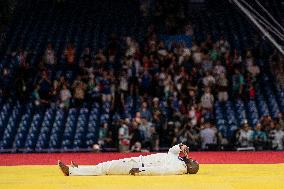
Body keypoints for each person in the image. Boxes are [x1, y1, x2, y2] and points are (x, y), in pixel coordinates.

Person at [58, 144, 199, 176]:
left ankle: (72, 172)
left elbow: (160, 171)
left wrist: (141, 171)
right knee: (106, 166)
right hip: (138, 161)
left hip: (139, 165)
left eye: (193, 161)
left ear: (191, 167)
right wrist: (180, 146)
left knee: (106, 168)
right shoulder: (178, 160)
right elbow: (172, 151)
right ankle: (78, 169)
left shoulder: (179, 168)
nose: (191, 159)